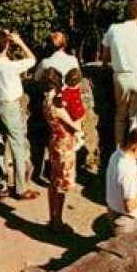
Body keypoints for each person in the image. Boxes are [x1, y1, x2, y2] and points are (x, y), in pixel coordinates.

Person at [0, 30, 38, 201]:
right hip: (10, 107)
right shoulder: (11, 66)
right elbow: (32, 59)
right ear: (7, 46)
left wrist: (2, 37)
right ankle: (20, 189)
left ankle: (2, 187)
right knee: (17, 147)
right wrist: (19, 41)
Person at [102, 0, 137, 147]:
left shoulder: (113, 29)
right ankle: (133, 146)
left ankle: (118, 147)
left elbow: (105, 52)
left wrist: (105, 64)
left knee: (120, 115)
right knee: (134, 115)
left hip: (120, 76)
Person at [42, 69, 81, 232]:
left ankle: (53, 217)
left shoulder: (45, 101)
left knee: (53, 180)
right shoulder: (56, 106)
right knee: (62, 183)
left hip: (54, 140)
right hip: (65, 144)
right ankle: (58, 221)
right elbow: (74, 125)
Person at [105, 127, 137, 235]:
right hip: (125, 221)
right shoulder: (128, 168)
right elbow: (129, 206)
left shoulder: (116, 154)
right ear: (135, 146)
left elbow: (120, 182)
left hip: (113, 210)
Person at [61, 66, 86, 149]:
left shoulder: (68, 90)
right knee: (77, 128)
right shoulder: (69, 91)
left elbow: (63, 104)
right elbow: (64, 103)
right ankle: (77, 142)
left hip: (75, 113)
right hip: (75, 114)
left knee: (78, 128)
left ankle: (78, 139)